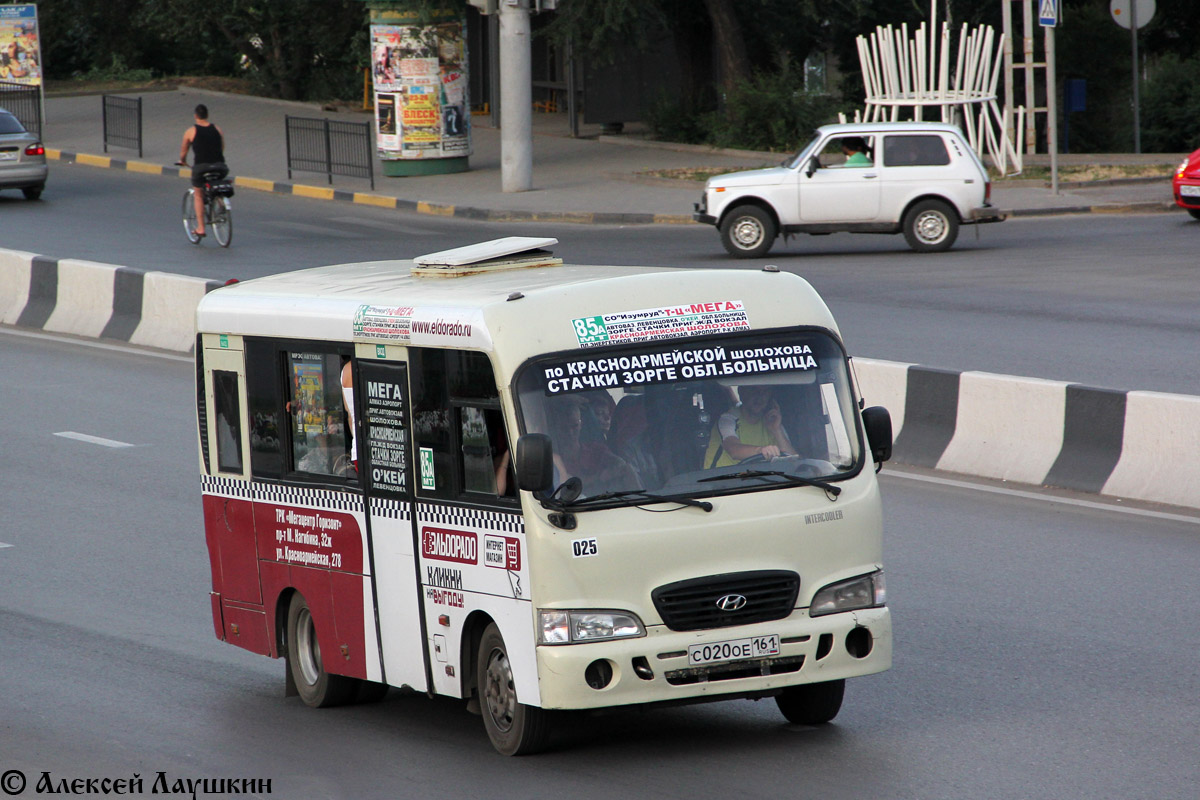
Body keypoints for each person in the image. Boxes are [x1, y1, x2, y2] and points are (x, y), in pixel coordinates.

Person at [703, 384, 796, 469]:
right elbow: (733, 450)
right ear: (741, 392)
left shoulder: (772, 423)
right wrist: (761, 451)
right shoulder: (728, 419)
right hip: (720, 483)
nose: (760, 397)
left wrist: (776, 430)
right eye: (754, 390)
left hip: (763, 482)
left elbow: (795, 463)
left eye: (765, 392)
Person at [176, 104, 227, 238]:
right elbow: (222, 147)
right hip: (220, 166)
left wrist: (182, 161)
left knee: (198, 194)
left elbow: (183, 151)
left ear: (195, 116)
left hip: (201, 167)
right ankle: (219, 202)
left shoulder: (191, 131)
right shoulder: (217, 128)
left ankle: (201, 228)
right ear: (207, 115)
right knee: (217, 183)